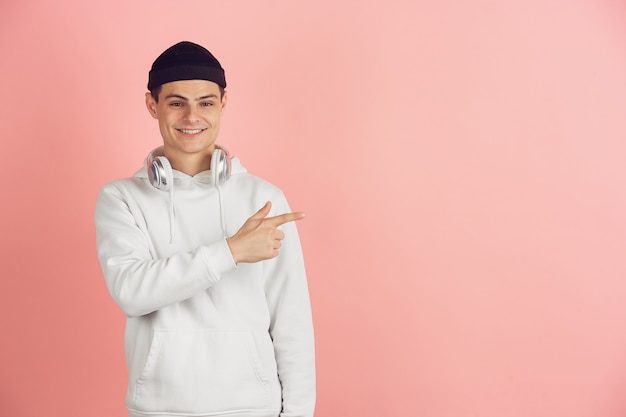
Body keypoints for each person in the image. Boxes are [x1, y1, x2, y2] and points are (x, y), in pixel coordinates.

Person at [95, 41, 315, 417]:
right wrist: (231, 251)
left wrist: (297, 413)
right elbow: (132, 292)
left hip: (253, 408)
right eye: (177, 102)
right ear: (153, 105)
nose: (192, 116)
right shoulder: (122, 198)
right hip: (159, 408)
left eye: (206, 102)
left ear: (223, 104)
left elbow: (292, 320)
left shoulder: (263, 198)